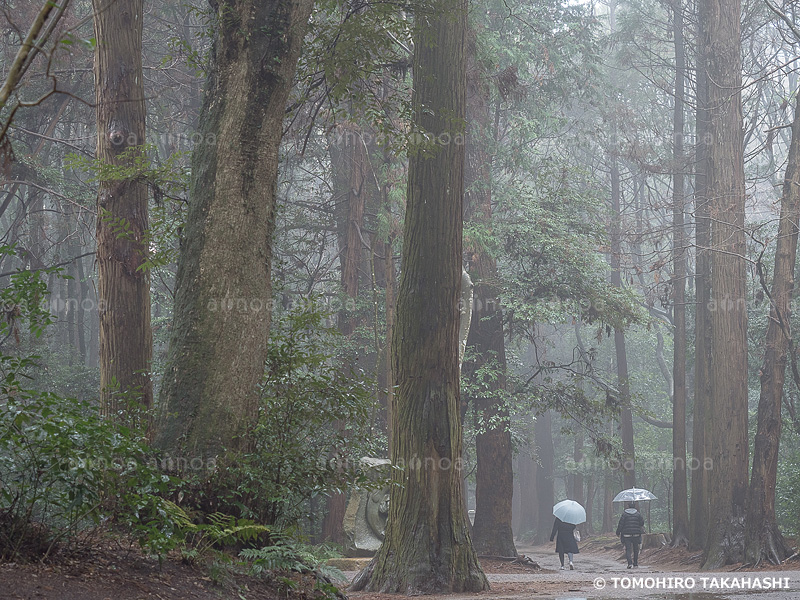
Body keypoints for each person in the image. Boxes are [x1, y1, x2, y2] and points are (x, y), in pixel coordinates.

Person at [616, 501, 645, 568]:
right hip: (636, 534)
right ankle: (635, 563)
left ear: (628, 506)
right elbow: (642, 523)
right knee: (635, 549)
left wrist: (618, 532)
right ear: (634, 506)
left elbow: (621, 524)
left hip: (626, 535)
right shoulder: (638, 514)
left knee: (628, 549)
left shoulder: (624, 514)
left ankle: (629, 563)